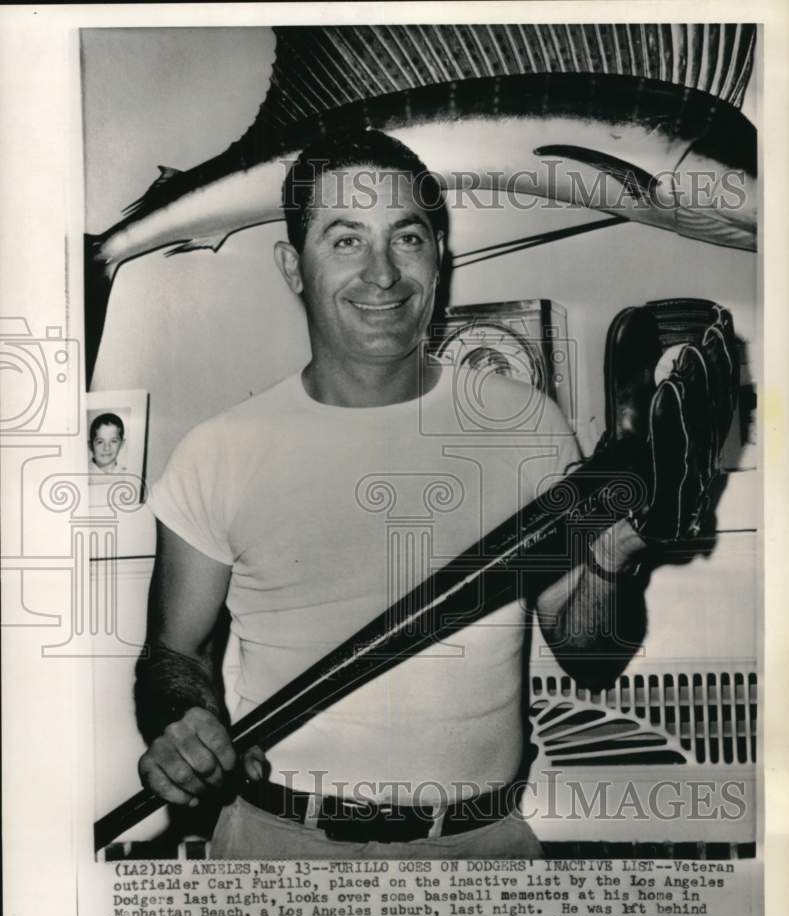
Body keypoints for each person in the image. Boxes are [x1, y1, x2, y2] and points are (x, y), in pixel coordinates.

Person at [136, 130, 648, 859]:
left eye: (406, 238)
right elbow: (172, 653)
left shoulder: (524, 422)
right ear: (293, 266)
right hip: (282, 849)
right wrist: (185, 719)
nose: (382, 274)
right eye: (345, 241)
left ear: (438, 259)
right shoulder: (218, 452)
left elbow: (588, 651)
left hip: (481, 851)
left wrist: (610, 562)